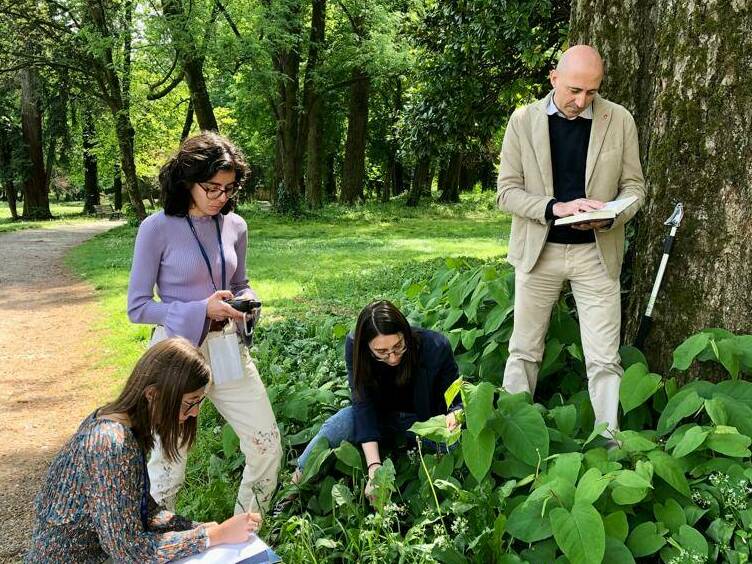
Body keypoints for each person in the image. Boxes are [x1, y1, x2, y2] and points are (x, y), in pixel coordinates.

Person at [127, 132, 282, 514]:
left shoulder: (236, 226)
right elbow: (138, 307)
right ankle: (154, 543)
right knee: (168, 465)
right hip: (176, 353)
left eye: (228, 188)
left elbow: (239, 282)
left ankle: (244, 538)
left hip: (228, 346)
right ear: (186, 181)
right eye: (211, 187)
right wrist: (200, 310)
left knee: (267, 444)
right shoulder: (156, 228)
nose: (221, 197)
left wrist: (247, 302)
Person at [497, 45, 646, 438]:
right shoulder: (522, 121)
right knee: (524, 351)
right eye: (575, 90)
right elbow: (506, 192)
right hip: (538, 254)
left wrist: (612, 215)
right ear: (554, 78)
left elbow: (635, 187)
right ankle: (509, 436)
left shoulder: (620, 120)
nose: (582, 101)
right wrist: (555, 208)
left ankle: (610, 445)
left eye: (592, 92)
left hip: (597, 256)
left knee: (604, 359)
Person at [26, 338, 262, 563]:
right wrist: (212, 536)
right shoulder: (110, 445)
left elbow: (144, 512)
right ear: (153, 395)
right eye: (190, 402)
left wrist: (197, 528)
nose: (195, 412)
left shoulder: (121, 426)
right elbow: (129, 551)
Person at [293, 300, 461, 500]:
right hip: (381, 419)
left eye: (399, 346)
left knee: (456, 446)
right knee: (341, 423)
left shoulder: (435, 346)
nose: (392, 358)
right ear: (366, 348)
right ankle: (294, 485)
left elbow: (455, 399)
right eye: (382, 352)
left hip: (425, 424)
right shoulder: (355, 347)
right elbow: (362, 405)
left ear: (405, 333)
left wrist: (455, 414)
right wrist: (375, 468)